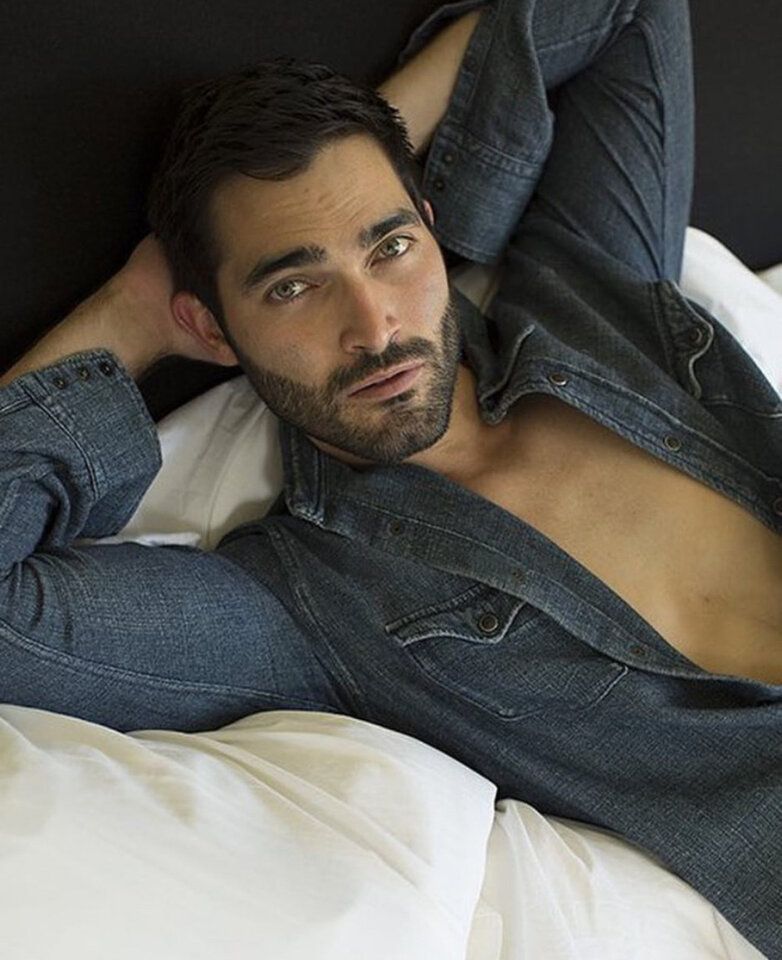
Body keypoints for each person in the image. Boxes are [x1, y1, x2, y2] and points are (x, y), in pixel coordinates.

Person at [1, 0, 780, 954]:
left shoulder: (591, 293)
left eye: (389, 247)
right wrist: (129, 316)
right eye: (293, 285)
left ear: (429, 227)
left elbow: (629, 15)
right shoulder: (313, 604)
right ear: (208, 325)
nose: (374, 327)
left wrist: (371, 142)